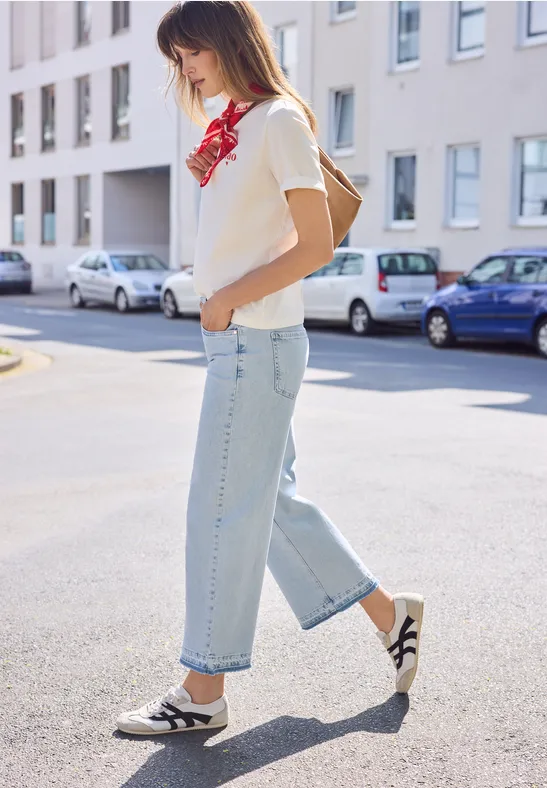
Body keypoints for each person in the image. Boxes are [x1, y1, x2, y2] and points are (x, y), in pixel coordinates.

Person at [116, 0, 424, 736]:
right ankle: (393, 616)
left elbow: (316, 246)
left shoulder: (279, 120)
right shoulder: (236, 125)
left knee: (218, 511)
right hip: (241, 341)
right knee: (269, 505)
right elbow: (252, 226)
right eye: (177, 59)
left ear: (226, 43)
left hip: (255, 342)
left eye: (190, 52)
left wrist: (222, 299)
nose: (185, 69)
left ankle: (202, 691)